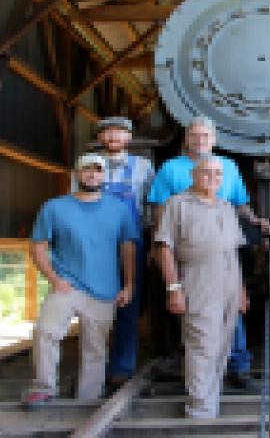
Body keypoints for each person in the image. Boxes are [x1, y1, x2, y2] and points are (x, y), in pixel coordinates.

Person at [148, 116, 270, 388]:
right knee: (194, 309)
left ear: (214, 140)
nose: (200, 139)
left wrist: (255, 220)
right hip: (187, 247)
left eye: (205, 135)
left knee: (231, 307)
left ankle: (236, 363)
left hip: (223, 249)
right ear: (186, 139)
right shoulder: (170, 168)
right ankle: (198, 370)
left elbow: (239, 204)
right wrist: (158, 245)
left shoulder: (228, 166)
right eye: (195, 135)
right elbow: (159, 210)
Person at [24, 153, 137, 407]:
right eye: (87, 170)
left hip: (105, 289)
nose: (92, 174)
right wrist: (54, 279)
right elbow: (38, 246)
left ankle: (88, 399)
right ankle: (43, 387)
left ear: (104, 175)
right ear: (76, 174)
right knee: (45, 331)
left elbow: (127, 248)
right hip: (66, 285)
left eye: (98, 170)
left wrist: (129, 284)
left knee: (95, 348)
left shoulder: (118, 209)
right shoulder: (54, 207)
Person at [154, 155, 248, 418]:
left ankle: (211, 400)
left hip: (229, 281)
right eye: (207, 173)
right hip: (198, 278)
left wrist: (240, 290)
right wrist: (173, 288)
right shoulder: (177, 204)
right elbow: (165, 248)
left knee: (222, 345)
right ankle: (199, 408)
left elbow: (233, 252)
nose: (213, 178)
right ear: (194, 175)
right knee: (202, 344)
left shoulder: (227, 207)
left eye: (218, 174)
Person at [92, 116, 155, 385]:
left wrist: (152, 243)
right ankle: (94, 365)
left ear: (129, 138)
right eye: (107, 132)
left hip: (132, 242)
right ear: (100, 138)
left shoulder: (143, 167)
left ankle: (122, 365)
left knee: (129, 306)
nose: (113, 137)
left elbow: (151, 207)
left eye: (119, 132)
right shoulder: (88, 166)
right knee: (95, 305)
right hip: (95, 245)